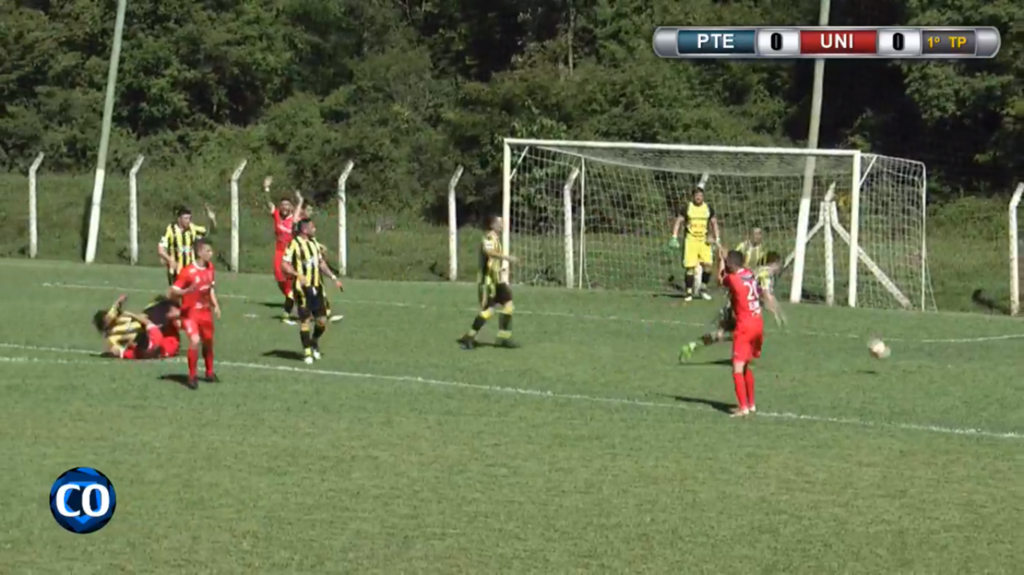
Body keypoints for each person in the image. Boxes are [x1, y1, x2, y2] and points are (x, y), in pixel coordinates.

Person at [679, 250, 785, 364]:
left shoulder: (757, 272)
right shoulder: (765, 276)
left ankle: (693, 345)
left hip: (734, 306)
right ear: (772, 264)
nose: (779, 268)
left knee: (721, 334)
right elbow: (765, 295)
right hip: (739, 309)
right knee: (739, 334)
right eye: (778, 265)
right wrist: (777, 313)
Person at [281, 219, 344, 364]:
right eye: (312, 227)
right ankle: (307, 352)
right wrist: (297, 275)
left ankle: (314, 341)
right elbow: (284, 264)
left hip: (318, 286)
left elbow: (321, 263)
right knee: (305, 320)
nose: (314, 229)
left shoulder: (314, 243)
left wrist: (334, 278)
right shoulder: (294, 244)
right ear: (304, 229)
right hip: (302, 288)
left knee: (321, 321)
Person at [459, 216, 519, 350]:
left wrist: (501, 269)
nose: (502, 225)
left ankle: (504, 338)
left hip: (497, 280)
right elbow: (489, 252)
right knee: (488, 311)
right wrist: (507, 258)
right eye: (500, 223)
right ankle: (469, 337)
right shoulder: (488, 237)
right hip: (488, 282)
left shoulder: (497, 238)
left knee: (509, 306)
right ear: (492, 225)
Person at [169, 238, 221, 389]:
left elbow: (210, 289)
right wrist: (187, 291)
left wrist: (216, 305)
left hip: (205, 312)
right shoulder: (187, 272)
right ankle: (192, 377)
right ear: (199, 252)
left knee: (208, 341)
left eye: (211, 251)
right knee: (194, 340)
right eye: (207, 251)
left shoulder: (210, 268)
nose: (211, 254)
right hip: (190, 312)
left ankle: (209, 372)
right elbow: (173, 290)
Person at [719, 249, 764, 417]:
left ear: (731, 264)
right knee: (746, 364)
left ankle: (743, 408)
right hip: (758, 322)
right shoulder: (749, 274)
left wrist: (720, 262)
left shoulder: (733, 279)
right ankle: (751, 404)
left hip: (745, 326)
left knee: (737, 368)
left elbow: (721, 280)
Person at [263, 176, 304, 324]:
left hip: (292, 256)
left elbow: (299, 212)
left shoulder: (293, 219)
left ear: (291, 207)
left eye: (288, 205)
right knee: (283, 283)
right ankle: (294, 304)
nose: (285, 207)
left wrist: (300, 201)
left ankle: (291, 310)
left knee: (294, 284)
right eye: (283, 205)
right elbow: (269, 203)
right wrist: (266, 189)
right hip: (279, 254)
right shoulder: (277, 216)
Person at [669, 187, 720, 301]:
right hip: (690, 240)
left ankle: (703, 288)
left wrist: (717, 238)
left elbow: (714, 223)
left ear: (703, 196)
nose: (698, 197)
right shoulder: (687, 208)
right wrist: (674, 236)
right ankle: (688, 292)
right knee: (690, 267)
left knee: (708, 265)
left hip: (704, 241)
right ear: (693, 197)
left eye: (700, 195)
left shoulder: (708, 208)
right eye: (696, 195)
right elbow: (678, 221)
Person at [92, 295, 176, 359]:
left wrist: (120, 302)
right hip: (146, 338)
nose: (110, 316)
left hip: (148, 334)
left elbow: (115, 309)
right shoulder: (113, 336)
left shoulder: (118, 318)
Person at [158, 204, 217, 285]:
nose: (188, 221)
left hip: (191, 271)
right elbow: (161, 250)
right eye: (185, 218)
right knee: (176, 296)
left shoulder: (192, 228)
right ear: (179, 219)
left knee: (191, 296)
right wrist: (170, 260)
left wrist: (212, 220)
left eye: (189, 218)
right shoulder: (170, 230)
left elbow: (210, 231)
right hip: (176, 271)